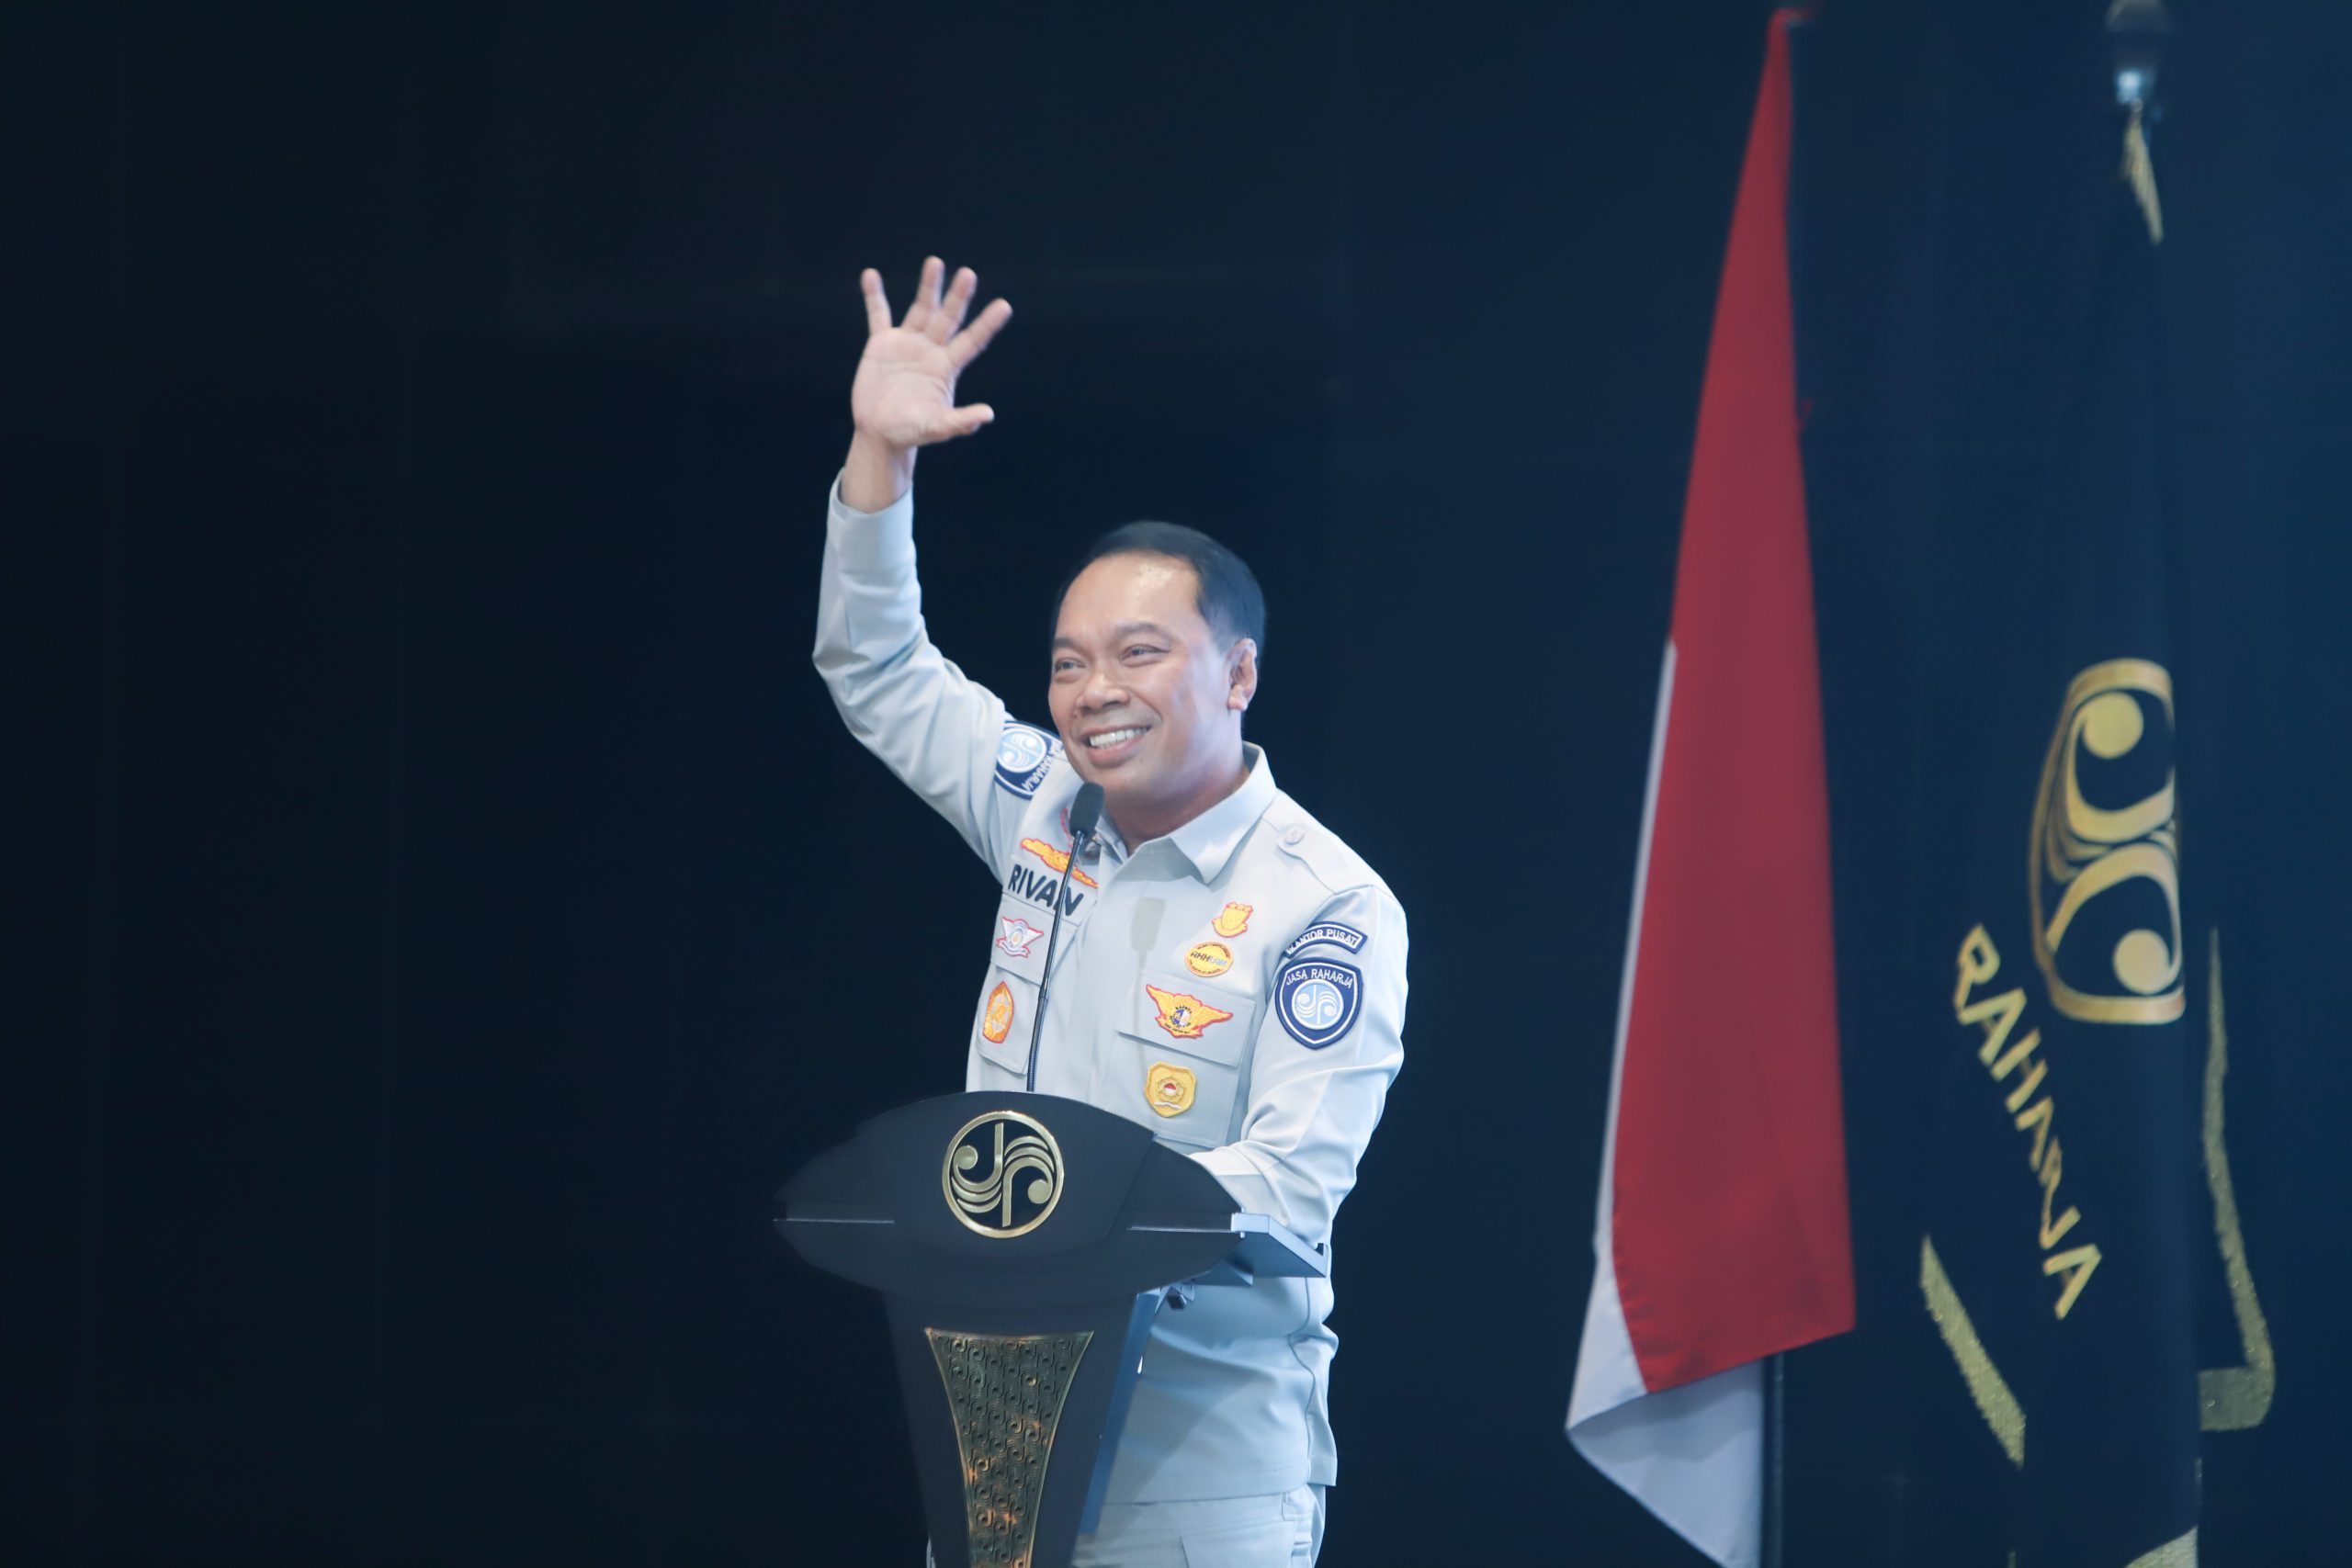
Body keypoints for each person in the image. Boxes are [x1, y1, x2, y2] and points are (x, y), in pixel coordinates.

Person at [815, 256, 1408, 1568]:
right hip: (997, 1436)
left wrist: (1059, 1213)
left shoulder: (1326, 904)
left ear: (1239, 673)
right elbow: (878, 669)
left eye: (1140, 654)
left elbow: (1294, 1186)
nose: (1094, 692)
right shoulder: (1039, 806)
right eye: (1069, 663)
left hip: (1194, 1467)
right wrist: (880, 461)